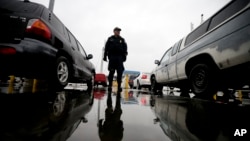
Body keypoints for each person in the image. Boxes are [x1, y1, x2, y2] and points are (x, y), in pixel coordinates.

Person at [103, 27, 128, 92]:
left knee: (120, 72)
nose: (118, 32)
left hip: (119, 58)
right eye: (117, 31)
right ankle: (110, 86)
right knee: (111, 72)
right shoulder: (110, 39)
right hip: (112, 57)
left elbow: (125, 48)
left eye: (119, 31)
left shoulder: (122, 40)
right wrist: (105, 56)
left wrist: (124, 56)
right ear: (114, 31)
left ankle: (119, 86)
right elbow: (106, 48)